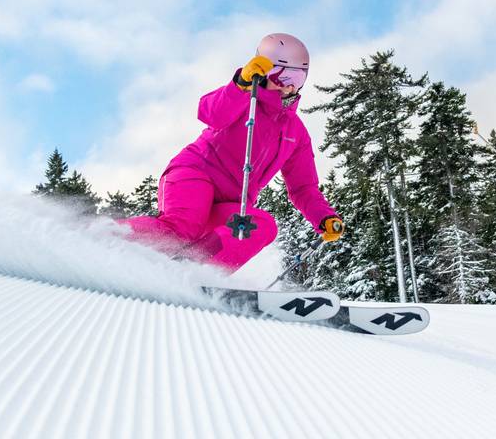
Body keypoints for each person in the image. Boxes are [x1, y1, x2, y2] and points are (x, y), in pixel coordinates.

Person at [120, 33, 343, 272]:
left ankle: (194, 272)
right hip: (195, 174)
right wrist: (240, 84)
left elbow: (303, 187)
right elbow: (210, 113)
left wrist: (324, 217)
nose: (290, 84)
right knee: (183, 229)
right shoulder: (244, 97)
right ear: (264, 70)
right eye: (282, 75)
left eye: (298, 78)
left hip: (233, 201)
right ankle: (107, 238)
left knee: (259, 225)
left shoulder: (296, 133)